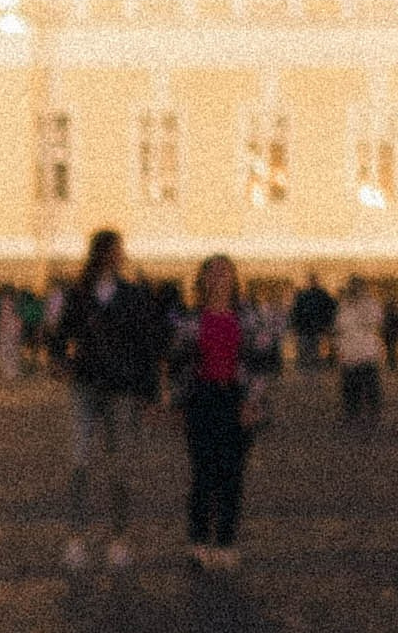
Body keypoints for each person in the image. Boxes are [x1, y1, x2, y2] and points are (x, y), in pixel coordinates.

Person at [53, 226, 163, 572]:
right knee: (79, 462)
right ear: (100, 253)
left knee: (120, 467)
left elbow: (146, 344)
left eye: (120, 250)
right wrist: (61, 361)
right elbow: (61, 333)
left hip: (121, 388)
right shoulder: (79, 293)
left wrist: (149, 393)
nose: (119, 256)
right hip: (86, 385)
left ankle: (119, 538)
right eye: (114, 250)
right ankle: (76, 538)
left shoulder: (133, 294)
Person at [168, 253, 263, 567]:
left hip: (236, 397)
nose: (219, 278)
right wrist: (179, 404)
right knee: (203, 473)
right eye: (213, 272)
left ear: (234, 279)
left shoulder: (248, 317)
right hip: (202, 397)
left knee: (232, 474)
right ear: (203, 279)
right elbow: (178, 364)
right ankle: (198, 540)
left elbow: (260, 361)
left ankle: (225, 540)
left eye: (225, 272)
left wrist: (252, 401)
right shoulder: (190, 318)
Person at [337, 276, 384, 420]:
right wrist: (339, 347)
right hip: (349, 352)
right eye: (353, 287)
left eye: (358, 287)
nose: (355, 290)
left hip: (367, 351)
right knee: (350, 386)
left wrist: (363, 307)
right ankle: (352, 412)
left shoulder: (371, 304)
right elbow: (340, 326)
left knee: (371, 385)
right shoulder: (344, 305)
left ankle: (373, 412)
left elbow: (376, 321)